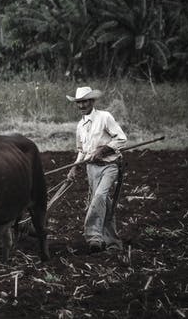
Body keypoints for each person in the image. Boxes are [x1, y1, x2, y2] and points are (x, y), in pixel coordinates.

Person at [66, 86, 127, 252]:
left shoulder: (105, 117)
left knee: (99, 197)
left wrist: (104, 149)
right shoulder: (80, 126)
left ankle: (93, 237)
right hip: (91, 169)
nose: (81, 105)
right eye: (79, 102)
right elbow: (82, 151)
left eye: (85, 101)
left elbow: (122, 139)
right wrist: (74, 168)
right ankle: (113, 243)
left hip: (110, 166)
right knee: (104, 204)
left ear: (92, 101)